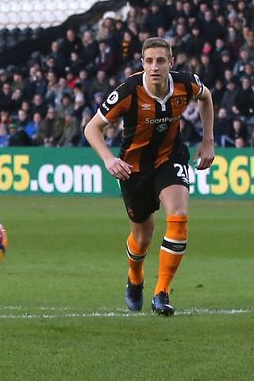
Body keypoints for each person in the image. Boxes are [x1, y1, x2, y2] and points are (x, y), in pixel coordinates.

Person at [84, 37, 215, 317]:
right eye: (149, 61)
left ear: (171, 62)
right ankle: (135, 277)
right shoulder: (129, 91)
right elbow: (92, 128)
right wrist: (109, 159)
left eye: (160, 60)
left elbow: (206, 96)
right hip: (133, 169)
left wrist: (208, 140)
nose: (154, 66)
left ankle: (162, 292)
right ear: (142, 64)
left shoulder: (185, 83)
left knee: (178, 216)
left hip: (170, 159)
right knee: (142, 237)